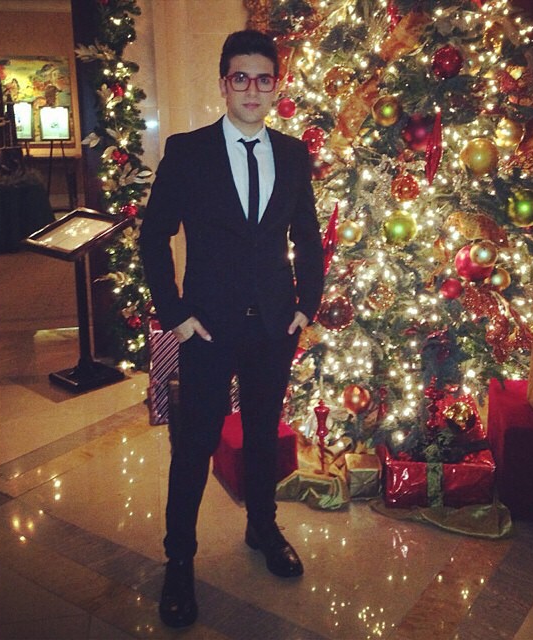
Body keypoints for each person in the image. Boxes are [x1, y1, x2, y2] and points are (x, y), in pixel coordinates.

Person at [138, 29, 325, 628]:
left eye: (263, 78)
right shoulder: (187, 152)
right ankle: (179, 559)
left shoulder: (292, 154)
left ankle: (262, 528)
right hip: (207, 330)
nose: (251, 89)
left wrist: (306, 305)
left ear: (276, 86)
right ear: (224, 84)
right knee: (194, 444)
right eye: (240, 77)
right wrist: (175, 315)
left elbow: (307, 236)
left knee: (264, 434)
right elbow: (153, 236)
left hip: (274, 326)